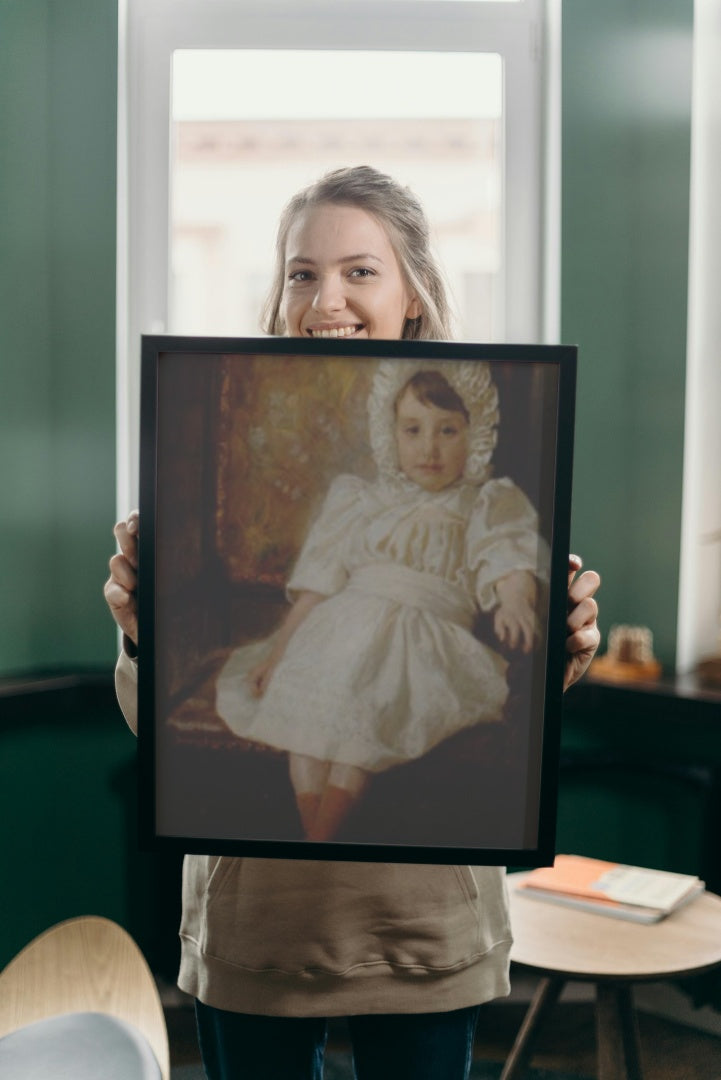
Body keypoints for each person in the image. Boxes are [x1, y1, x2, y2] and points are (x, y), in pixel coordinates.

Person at [105, 166, 601, 1080]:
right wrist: (146, 633)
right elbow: (163, 722)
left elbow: (518, 637)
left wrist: (556, 637)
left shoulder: (487, 493)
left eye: (359, 271)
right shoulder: (351, 494)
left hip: (419, 927)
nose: (325, 297)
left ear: (412, 292)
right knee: (305, 700)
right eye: (301, 272)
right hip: (257, 928)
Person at [215, 360, 547, 843]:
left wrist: (516, 599)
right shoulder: (362, 500)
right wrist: (278, 652)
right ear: (391, 434)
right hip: (341, 627)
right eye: (413, 430)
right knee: (307, 711)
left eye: (447, 431)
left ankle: (320, 842)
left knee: (366, 715)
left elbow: (508, 556)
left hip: (423, 636)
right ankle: (316, 845)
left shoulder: (483, 501)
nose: (429, 448)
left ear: (474, 435)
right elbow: (318, 587)